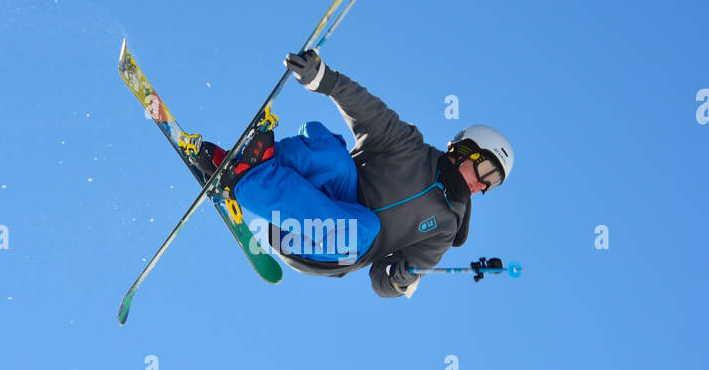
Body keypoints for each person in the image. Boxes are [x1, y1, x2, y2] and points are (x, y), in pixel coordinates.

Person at [192, 50, 513, 298]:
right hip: (307, 205)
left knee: (365, 226)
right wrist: (324, 79)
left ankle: (247, 181)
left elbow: (381, 280)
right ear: (465, 149)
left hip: (326, 246)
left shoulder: (443, 228)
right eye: (487, 170)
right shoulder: (409, 148)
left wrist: (399, 280)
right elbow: (369, 111)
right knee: (334, 158)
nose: (483, 185)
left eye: (493, 183)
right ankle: (249, 164)